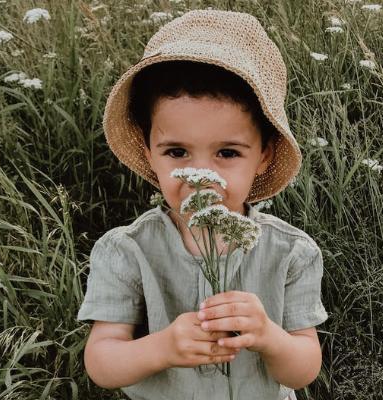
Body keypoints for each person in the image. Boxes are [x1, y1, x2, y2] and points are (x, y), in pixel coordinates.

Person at [77, 9, 328, 400]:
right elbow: (102, 362)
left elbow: (303, 369)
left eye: (227, 153)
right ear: (149, 152)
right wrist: (162, 348)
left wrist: (268, 337)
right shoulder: (126, 249)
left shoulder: (291, 251)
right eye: (177, 152)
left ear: (263, 154)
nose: (201, 175)